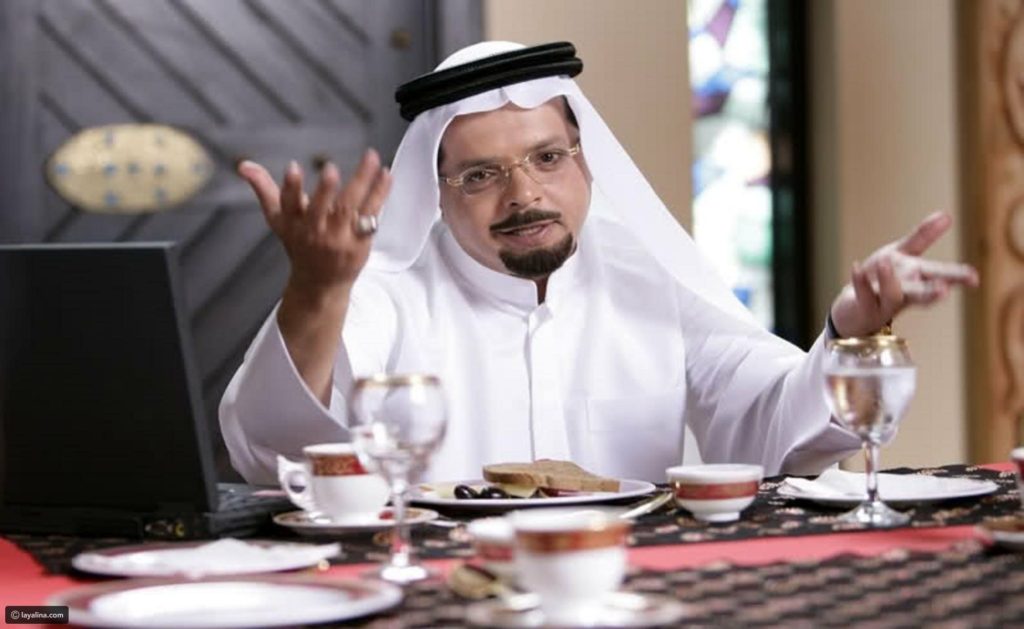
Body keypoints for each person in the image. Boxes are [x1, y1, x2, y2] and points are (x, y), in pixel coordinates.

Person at [220, 41, 978, 485]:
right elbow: (271, 454)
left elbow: (777, 427)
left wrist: (850, 327)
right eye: (481, 175)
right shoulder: (386, 290)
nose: (524, 194)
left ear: (585, 159)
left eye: (547, 158)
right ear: (437, 192)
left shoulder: (649, 277)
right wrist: (316, 290)